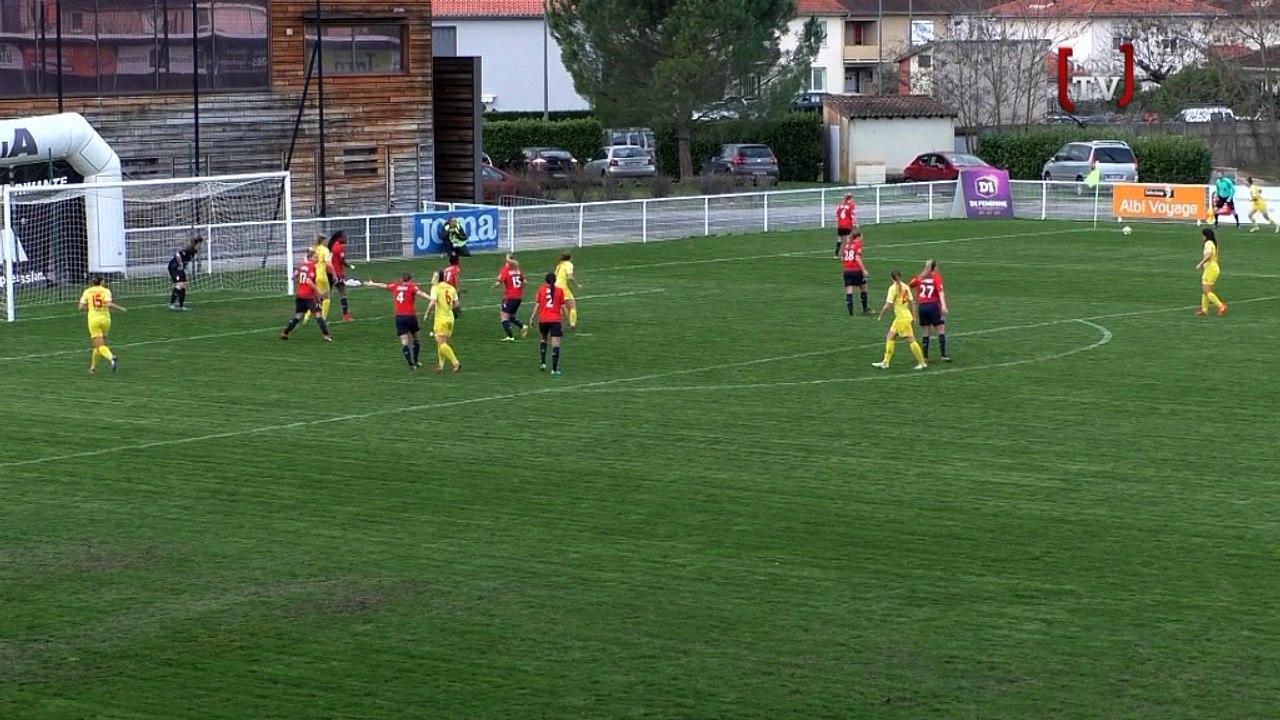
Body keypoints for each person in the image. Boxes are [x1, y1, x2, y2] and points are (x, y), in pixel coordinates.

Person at [365, 273, 431, 368]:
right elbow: (421, 293)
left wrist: (373, 283)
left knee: (404, 341)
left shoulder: (396, 286)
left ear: (401, 279)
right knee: (416, 339)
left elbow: (384, 285)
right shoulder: (411, 287)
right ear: (410, 280)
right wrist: (431, 299)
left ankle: (410, 364)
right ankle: (416, 361)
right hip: (410, 316)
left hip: (400, 317)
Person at [872, 269, 928, 371]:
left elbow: (888, 305)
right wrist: (914, 317)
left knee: (910, 339)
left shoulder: (892, 288)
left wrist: (880, 315)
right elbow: (912, 302)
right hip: (903, 317)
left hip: (902, 319)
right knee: (890, 336)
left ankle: (922, 362)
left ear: (891, 278)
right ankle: (886, 362)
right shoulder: (906, 286)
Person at [281, 250, 333, 341]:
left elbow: (294, 276)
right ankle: (326, 335)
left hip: (300, 295)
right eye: (315, 257)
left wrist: (300, 283)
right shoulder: (311, 266)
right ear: (309, 258)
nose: (317, 258)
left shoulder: (302, 265)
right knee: (318, 314)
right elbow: (309, 281)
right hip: (309, 296)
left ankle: (285, 332)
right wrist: (318, 292)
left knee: (298, 316)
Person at [79, 276, 126, 374]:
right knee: (98, 346)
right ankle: (93, 368)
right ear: (102, 282)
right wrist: (120, 308)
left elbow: (81, 307)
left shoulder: (87, 292)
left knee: (99, 345)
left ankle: (111, 358)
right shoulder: (106, 291)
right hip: (105, 320)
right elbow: (109, 304)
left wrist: (90, 308)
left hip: (93, 320)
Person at [529, 271, 573, 375]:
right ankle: (554, 369)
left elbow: (537, 305)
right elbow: (563, 307)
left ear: (545, 280)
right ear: (555, 280)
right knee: (556, 344)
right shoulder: (559, 291)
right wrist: (569, 320)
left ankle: (543, 363)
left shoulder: (541, 289)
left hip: (543, 320)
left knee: (543, 339)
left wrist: (532, 318)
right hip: (555, 320)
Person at [909, 259, 950, 362]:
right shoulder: (936, 277)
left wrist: (922, 273)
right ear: (935, 268)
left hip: (922, 307)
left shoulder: (920, 277)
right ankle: (943, 355)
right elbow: (940, 292)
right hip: (933, 306)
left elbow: (910, 284)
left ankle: (925, 356)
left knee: (925, 332)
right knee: (940, 329)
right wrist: (944, 305)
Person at [425, 270, 462, 372]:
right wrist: (448, 308)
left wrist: (427, 313)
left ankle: (455, 363)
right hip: (450, 319)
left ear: (437, 278)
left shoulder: (435, 288)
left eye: (433, 276)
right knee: (441, 342)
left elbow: (433, 302)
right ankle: (440, 365)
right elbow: (457, 304)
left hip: (441, 319)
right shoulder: (451, 288)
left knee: (441, 343)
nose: (432, 278)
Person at [494, 254, 528, 341]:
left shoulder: (505, 270)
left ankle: (510, 336)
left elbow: (499, 282)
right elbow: (525, 282)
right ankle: (522, 327)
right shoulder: (517, 270)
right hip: (519, 297)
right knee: (510, 315)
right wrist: (520, 288)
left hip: (509, 297)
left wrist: (494, 286)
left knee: (504, 316)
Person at [1195, 227, 1227, 316]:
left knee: (1207, 290)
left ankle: (1221, 305)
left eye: (1203, 236)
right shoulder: (1213, 243)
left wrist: (1200, 263)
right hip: (1213, 268)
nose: (1202, 237)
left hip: (1210, 269)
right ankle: (1204, 309)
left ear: (1206, 236)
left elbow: (1208, 255)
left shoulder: (1208, 243)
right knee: (1205, 290)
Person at [167, 235, 203, 311]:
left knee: (184, 285)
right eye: (200, 244)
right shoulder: (189, 250)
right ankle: (171, 304)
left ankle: (181, 306)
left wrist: (184, 269)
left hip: (180, 268)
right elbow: (177, 255)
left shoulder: (194, 251)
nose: (201, 246)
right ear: (196, 244)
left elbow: (185, 260)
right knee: (180, 284)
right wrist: (180, 264)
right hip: (174, 267)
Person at [838, 230, 869, 315]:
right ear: (858, 237)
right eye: (862, 237)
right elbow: (857, 258)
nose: (862, 238)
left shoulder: (846, 246)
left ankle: (851, 313)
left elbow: (843, 258)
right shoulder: (857, 244)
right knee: (863, 287)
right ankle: (865, 309)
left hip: (847, 271)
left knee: (849, 290)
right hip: (856, 270)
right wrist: (864, 270)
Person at [303, 234, 332, 323]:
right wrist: (334, 274)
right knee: (326, 297)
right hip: (321, 275)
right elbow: (328, 263)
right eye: (325, 240)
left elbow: (306, 261)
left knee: (314, 297)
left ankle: (306, 318)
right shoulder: (325, 250)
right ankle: (323, 319)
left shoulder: (312, 248)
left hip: (312, 275)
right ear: (323, 241)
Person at [328, 230, 356, 321]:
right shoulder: (339, 247)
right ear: (339, 238)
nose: (346, 239)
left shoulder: (332, 245)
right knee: (342, 293)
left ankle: (312, 312)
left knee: (326, 294)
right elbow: (342, 260)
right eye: (344, 237)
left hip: (329, 272)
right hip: (337, 273)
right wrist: (350, 266)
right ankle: (345, 316)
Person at [554, 252, 582, 329]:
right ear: (570, 258)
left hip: (555, 287)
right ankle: (572, 323)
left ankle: (560, 324)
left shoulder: (559, 265)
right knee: (572, 305)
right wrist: (577, 284)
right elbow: (570, 277)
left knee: (562, 306)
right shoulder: (569, 265)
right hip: (562, 287)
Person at [834, 192, 857, 257]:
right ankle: (846, 255)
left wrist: (837, 223)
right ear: (850, 198)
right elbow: (852, 215)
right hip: (847, 225)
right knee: (847, 240)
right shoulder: (851, 205)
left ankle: (836, 255)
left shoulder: (840, 205)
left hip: (840, 225)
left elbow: (836, 215)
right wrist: (855, 223)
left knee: (839, 239)